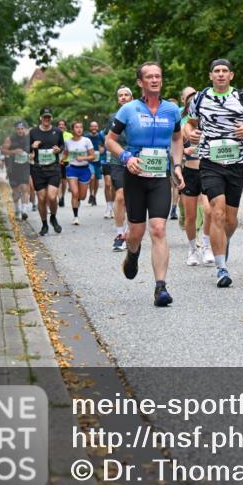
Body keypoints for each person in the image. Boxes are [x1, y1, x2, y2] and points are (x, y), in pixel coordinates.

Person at [104, 62, 184, 307]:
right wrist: (126, 158)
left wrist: (178, 165)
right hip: (135, 176)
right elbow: (110, 140)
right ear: (140, 82)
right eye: (149, 77)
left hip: (160, 176)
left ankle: (160, 287)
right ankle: (133, 253)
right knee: (136, 233)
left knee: (159, 229)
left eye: (158, 76)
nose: (154, 80)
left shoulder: (172, 110)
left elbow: (178, 138)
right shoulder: (128, 110)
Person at [185, 59, 243, 288]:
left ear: (231, 75)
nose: (221, 74)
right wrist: (191, 133)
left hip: (236, 163)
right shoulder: (201, 97)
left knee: (231, 220)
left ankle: (221, 243)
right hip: (210, 161)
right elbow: (188, 123)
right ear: (211, 75)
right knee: (216, 212)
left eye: (225, 71)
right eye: (217, 71)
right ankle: (221, 268)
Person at [178, 87, 214, 266]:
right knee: (190, 217)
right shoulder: (185, 124)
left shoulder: (212, 120)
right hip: (190, 171)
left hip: (208, 170)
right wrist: (184, 150)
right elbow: (175, 145)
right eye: (191, 101)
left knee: (209, 211)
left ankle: (206, 245)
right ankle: (192, 248)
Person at [105, 86, 134, 250]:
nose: (123, 97)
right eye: (120, 96)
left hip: (137, 160)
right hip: (118, 161)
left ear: (131, 97)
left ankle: (132, 231)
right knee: (121, 196)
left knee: (133, 198)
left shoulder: (139, 114)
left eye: (126, 95)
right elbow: (109, 140)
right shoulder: (112, 117)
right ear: (118, 99)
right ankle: (120, 234)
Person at [29, 108, 65, 236]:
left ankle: (53, 217)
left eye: (49, 117)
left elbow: (62, 146)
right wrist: (32, 147)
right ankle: (44, 224)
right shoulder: (33, 132)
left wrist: (58, 150)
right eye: (44, 117)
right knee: (42, 198)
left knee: (51, 196)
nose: (47, 119)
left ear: (51, 118)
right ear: (40, 118)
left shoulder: (57, 131)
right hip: (38, 170)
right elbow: (26, 148)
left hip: (53, 168)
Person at [62, 120, 96, 225]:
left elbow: (93, 156)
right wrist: (62, 159)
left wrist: (83, 158)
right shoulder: (67, 142)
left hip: (84, 170)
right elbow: (65, 153)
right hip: (72, 169)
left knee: (82, 196)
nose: (79, 129)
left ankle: (77, 202)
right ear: (72, 130)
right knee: (75, 193)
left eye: (80, 127)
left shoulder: (87, 141)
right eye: (76, 127)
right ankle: (75, 217)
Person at [2, 121, 33, 220]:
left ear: (25, 129)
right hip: (13, 168)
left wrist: (32, 155)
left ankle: (24, 211)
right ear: (15, 129)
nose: (20, 130)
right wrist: (13, 151)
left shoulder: (29, 139)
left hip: (25, 167)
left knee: (24, 188)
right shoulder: (10, 139)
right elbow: (3, 150)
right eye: (18, 129)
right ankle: (17, 209)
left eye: (22, 128)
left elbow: (34, 151)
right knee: (15, 191)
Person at [86, 120, 105, 207]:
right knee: (92, 177)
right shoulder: (86, 137)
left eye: (95, 126)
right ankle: (91, 194)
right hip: (89, 161)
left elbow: (104, 145)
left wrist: (102, 150)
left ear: (97, 127)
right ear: (90, 127)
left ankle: (94, 196)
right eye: (92, 126)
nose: (94, 128)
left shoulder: (101, 136)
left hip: (98, 161)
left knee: (97, 179)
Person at [56, 118, 71, 207]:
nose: (61, 126)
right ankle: (59, 197)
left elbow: (71, 147)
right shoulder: (54, 134)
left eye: (63, 124)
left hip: (66, 161)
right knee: (58, 181)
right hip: (56, 161)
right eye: (59, 124)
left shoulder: (69, 135)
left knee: (64, 181)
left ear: (65, 126)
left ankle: (63, 197)